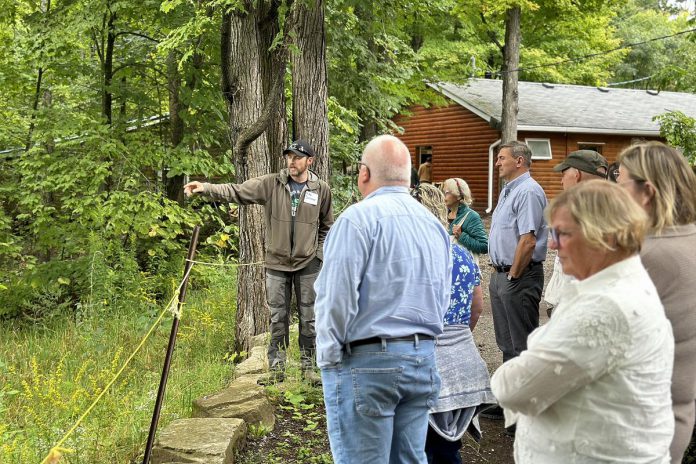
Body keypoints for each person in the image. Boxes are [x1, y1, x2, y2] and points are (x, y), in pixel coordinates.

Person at [491, 180, 675, 463]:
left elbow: (514, 388)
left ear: (604, 236)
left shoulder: (604, 308)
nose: (551, 244)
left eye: (562, 233)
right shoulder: (614, 285)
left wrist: (530, 352)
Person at [314, 135, 451, 464]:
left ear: (364, 173)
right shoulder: (434, 226)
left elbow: (336, 298)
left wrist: (329, 359)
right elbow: (441, 296)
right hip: (422, 360)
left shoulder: (356, 220)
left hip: (368, 363)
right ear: (407, 177)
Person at [183, 139, 333, 383]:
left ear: (310, 161)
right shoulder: (272, 184)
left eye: (297, 157)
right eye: (289, 156)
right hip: (276, 263)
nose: (291, 161)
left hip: (308, 265)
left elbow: (327, 226)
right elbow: (238, 191)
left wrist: (318, 254)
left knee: (309, 318)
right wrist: (207, 187)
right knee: (277, 318)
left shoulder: (321, 189)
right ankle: (277, 371)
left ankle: (309, 369)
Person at [618, 141, 696, 464]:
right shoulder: (688, 238)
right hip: (675, 417)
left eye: (620, 184)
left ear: (646, 192)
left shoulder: (649, 256)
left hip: (634, 430)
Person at [414, 183, 496, 464]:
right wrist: (458, 338)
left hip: (426, 365)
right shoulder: (461, 254)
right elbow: (478, 307)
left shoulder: (412, 257)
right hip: (464, 365)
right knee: (448, 450)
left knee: (419, 449)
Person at [485, 141, 548, 426]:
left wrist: (512, 275)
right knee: (506, 343)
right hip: (501, 275)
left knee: (522, 345)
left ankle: (524, 416)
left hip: (519, 276)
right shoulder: (509, 191)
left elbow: (528, 239)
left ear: (519, 161)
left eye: (502, 158)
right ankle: (508, 404)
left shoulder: (529, 191)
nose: (497, 163)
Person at [544, 150, 608, 317]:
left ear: (576, 175)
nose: (561, 182)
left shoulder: (581, 214)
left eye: (564, 175)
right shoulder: (610, 210)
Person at [442, 178, 488, 256]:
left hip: (462, 266)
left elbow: (484, 246)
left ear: (459, 196)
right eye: (443, 192)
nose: (443, 196)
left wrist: (462, 236)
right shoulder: (442, 215)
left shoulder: (471, 217)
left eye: (447, 192)